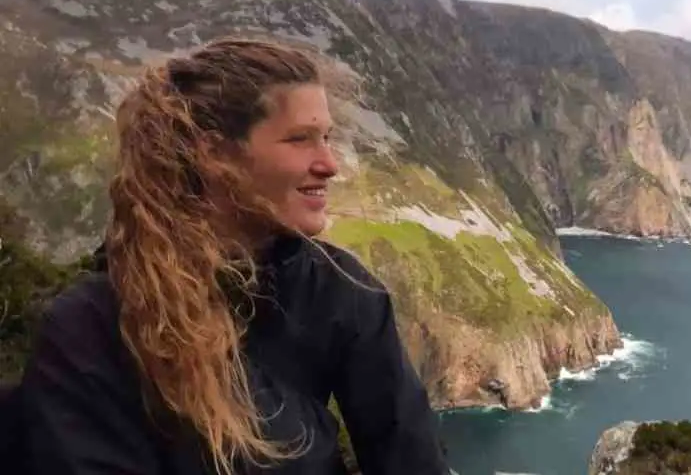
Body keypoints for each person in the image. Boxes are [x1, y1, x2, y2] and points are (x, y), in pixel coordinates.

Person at [18, 36, 450, 474]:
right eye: (300, 139)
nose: (329, 164)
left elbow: (413, 459)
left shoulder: (341, 290)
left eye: (327, 138)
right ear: (214, 154)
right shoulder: (90, 327)